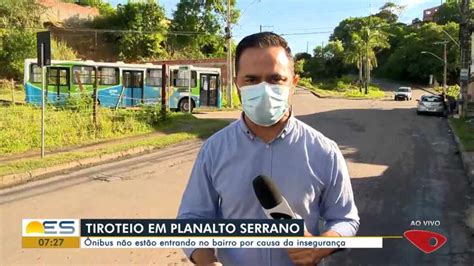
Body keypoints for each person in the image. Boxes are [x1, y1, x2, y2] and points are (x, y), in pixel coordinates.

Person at [177, 32, 359, 265]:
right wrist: (206, 260)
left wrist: (320, 246)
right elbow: (193, 218)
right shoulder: (214, 150)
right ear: (237, 84)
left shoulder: (324, 151)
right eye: (251, 80)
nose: (264, 90)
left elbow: (345, 219)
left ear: (294, 83)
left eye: (275, 79)